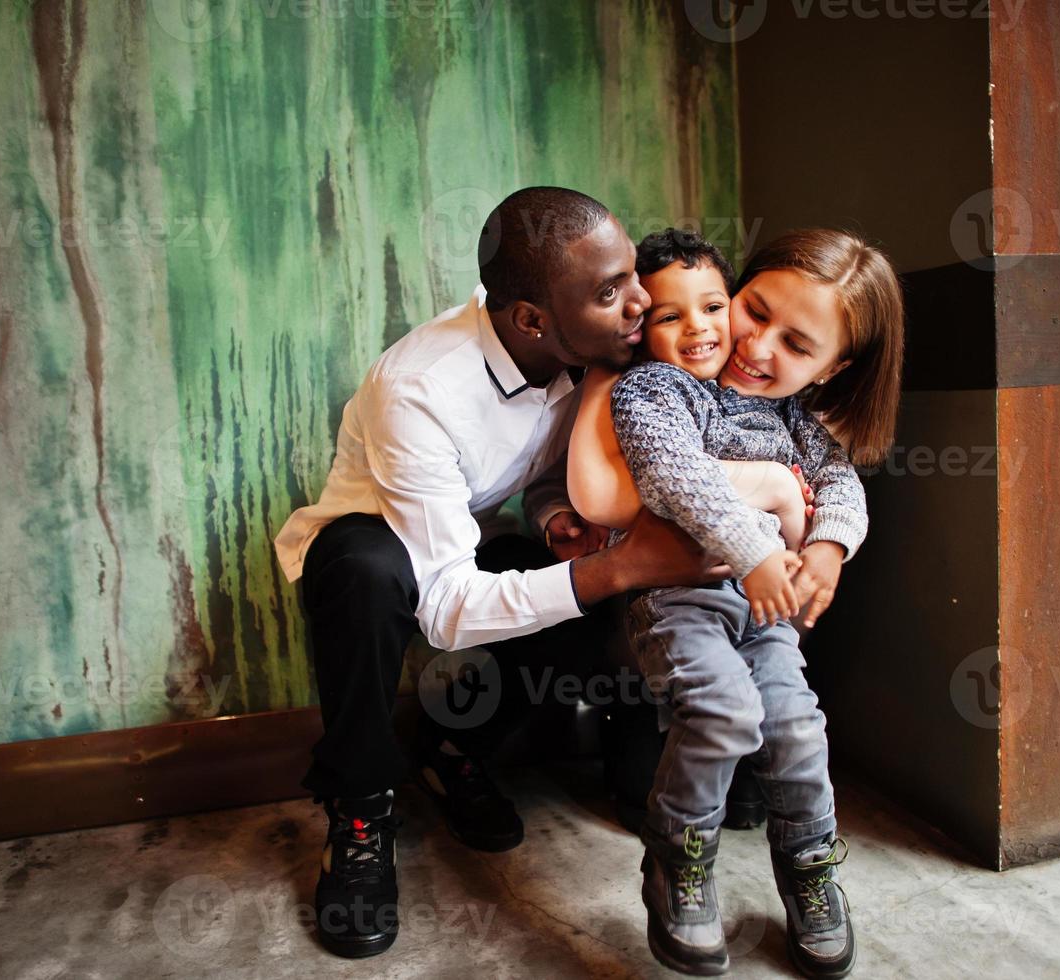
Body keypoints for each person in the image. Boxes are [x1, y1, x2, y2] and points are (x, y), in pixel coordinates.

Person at [274, 187, 730, 959]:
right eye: (611, 292)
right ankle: (360, 805)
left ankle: (452, 751)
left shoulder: (588, 352)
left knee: (572, 588)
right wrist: (616, 567)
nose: (639, 304)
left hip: (471, 537)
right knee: (365, 570)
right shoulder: (418, 388)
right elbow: (443, 606)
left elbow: (554, 475)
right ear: (529, 320)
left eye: (631, 277)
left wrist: (562, 525)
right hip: (379, 548)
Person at [569, 228, 903, 976]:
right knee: (725, 714)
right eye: (753, 311)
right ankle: (678, 863)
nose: (755, 347)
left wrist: (828, 545)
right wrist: (756, 550)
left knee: (797, 730)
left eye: (796, 343)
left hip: (766, 610)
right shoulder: (659, 388)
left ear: (832, 366)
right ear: (735, 290)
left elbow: (839, 485)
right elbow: (671, 477)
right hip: (678, 601)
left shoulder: (795, 419)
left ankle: (809, 869)